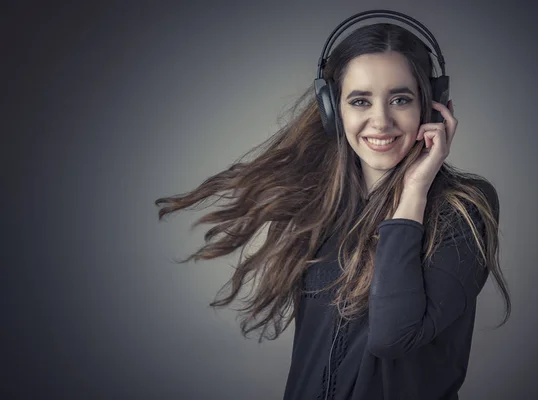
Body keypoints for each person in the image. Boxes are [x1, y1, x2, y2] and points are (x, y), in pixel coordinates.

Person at [155, 12, 511, 400]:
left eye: (401, 99)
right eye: (360, 100)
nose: (381, 120)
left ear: (433, 107)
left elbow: (393, 336)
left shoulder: (463, 208)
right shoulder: (321, 206)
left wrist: (414, 191)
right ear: (332, 110)